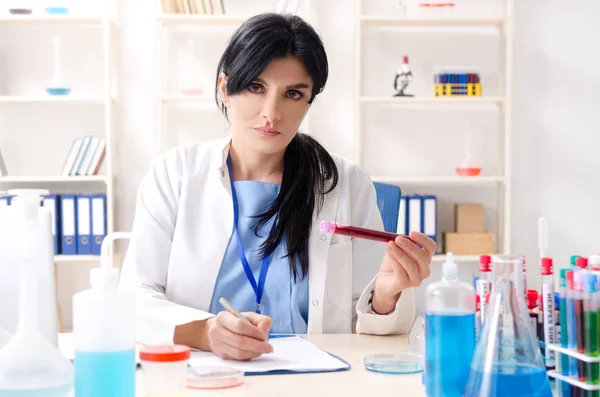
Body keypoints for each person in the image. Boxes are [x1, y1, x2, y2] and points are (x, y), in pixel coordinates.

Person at [120, 12, 436, 362]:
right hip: (203, 368)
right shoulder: (174, 175)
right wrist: (205, 332)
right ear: (225, 88)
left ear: (309, 101)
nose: (271, 113)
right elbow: (134, 296)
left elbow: (367, 328)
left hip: (318, 376)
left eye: (293, 94)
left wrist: (386, 294)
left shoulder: (346, 184)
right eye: (256, 87)